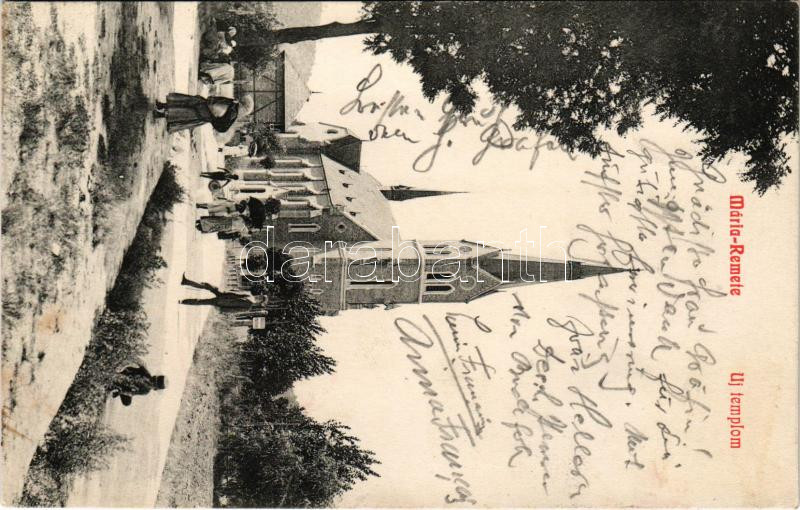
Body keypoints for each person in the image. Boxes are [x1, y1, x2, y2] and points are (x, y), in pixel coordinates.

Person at [180, 274, 268, 313]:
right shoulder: (249, 294)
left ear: (259, 302)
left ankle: (183, 302)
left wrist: (222, 309)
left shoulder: (248, 306)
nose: (259, 297)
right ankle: (186, 281)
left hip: (222, 302)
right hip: (223, 294)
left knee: (201, 301)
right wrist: (228, 291)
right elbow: (236, 293)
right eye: (260, 296)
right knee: (208, 285)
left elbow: (234, 310)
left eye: (260, 299)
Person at [154, 93, 240, 133]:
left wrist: (213, 120)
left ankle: (161, 113)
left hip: (205, 113)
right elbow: (216, 100)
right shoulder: (233, 104)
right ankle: (162, 106)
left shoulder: (233, 111)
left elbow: (222, 127)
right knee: (184, 102)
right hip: (205, 106)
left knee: (183, 112)